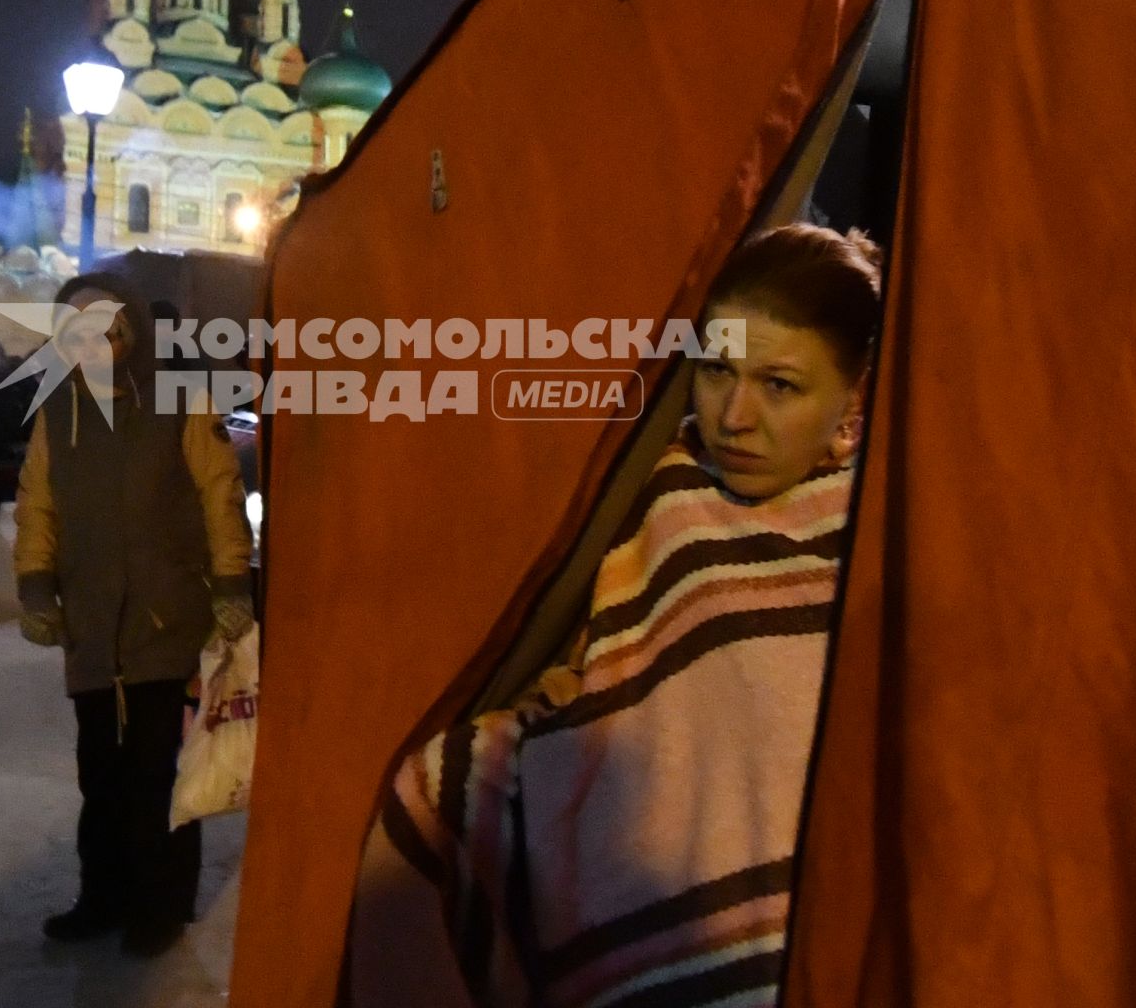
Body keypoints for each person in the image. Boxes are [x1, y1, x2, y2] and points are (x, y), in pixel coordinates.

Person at [348, 224, 882, 1008]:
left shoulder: (884, 527)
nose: (733, 416)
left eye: (780, 385)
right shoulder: (651, 483)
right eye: (716, 371)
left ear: (852, 404)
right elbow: (625, 648)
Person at [14, 273, 254, 958]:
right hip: (92, 627)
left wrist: (231, 583)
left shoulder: (180, 401)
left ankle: (161, 906)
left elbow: (219, 492)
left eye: (109, 327)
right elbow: (39, 505)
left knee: (157, 773)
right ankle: (104, 896)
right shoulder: (58, 414)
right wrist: (35, 588)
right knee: (102, 774)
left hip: (165, 618)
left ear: (133, 329)